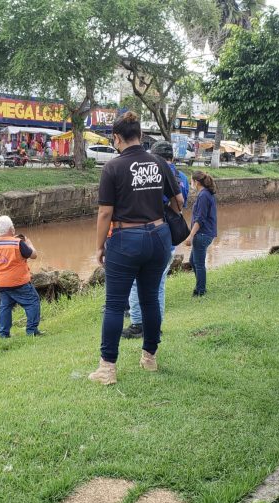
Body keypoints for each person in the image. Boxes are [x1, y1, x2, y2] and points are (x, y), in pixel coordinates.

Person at [89, 112, 184, 385]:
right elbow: (178, 202)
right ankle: (149, 358)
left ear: (116, 138)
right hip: (159, 238)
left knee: (114, 305)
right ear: (141, 136)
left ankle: (107, 369)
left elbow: (105, 213)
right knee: (150, 299)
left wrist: (99, 247)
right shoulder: (159, 162)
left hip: (125, 239)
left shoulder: (113, 167)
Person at [122, 140, 189, 339]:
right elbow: (180, 203)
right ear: (173, 157)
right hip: (168, 236)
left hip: (148, 231)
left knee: (136, 282)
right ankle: (155, 326)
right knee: (159, 283)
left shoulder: (152, 172)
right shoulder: (183, 177)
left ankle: (137, 324)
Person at [0, 215, 43, 338]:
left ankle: (3, 334)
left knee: (5, 306)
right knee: (33, 301)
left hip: (2, 282)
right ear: (11, 228)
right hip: (18, 281)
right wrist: (29, 243)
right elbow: (33, 255)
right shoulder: (17, 243)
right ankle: (32, 331)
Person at [186, 171, 217, 297]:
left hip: (202, 234)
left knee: (198, 263)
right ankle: (200, 285)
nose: (190, 184)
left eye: (191, 181)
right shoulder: (205, 194)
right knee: (193, 261)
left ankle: (200, 291)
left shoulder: (204, 195)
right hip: (204, 233)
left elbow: (200, 218)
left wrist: (190, 235)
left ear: (196, 182)